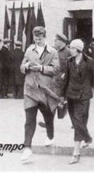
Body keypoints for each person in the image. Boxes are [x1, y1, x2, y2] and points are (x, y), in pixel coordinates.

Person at [20, 26, 60, 162]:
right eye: (36, 39)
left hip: (45, 91)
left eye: (40, 39)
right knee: (29, 120)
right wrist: (26, 66)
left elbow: (56, 69)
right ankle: (27, 148)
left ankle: (50, 136)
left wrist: (42, 68)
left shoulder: (53, 52)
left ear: (45, 37)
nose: (38, 41)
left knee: (48, 116)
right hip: (30, 90)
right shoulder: (29, 50)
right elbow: (21, 67)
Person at [60, 39, 94, 165]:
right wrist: (62, 95)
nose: (70, 50)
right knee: (76, 122)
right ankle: (87, 138)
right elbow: (66, 79)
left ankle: (76, 153)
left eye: (73, 48)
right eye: (70, 48)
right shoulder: (69, 61)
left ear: (79, 49)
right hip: (71, 95)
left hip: (84, 95)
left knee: (78, 121)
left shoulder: (89, 61)